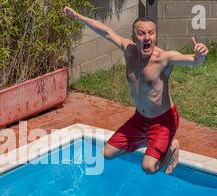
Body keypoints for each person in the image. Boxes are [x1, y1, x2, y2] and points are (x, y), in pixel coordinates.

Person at [64, 7, 209, 174]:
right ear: (133, 37)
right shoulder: (129, 50)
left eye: (151, 33)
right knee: (107, 153)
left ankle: (171, 146)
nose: (147, 37)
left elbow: (193, 60)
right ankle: (150, 142)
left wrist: (200, 54)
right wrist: (78, 17)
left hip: (163, 122)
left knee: (148, 167)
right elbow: (106, 31)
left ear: (156, 35)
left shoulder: (164, 59)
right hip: (140, 119)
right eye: (141, 33)